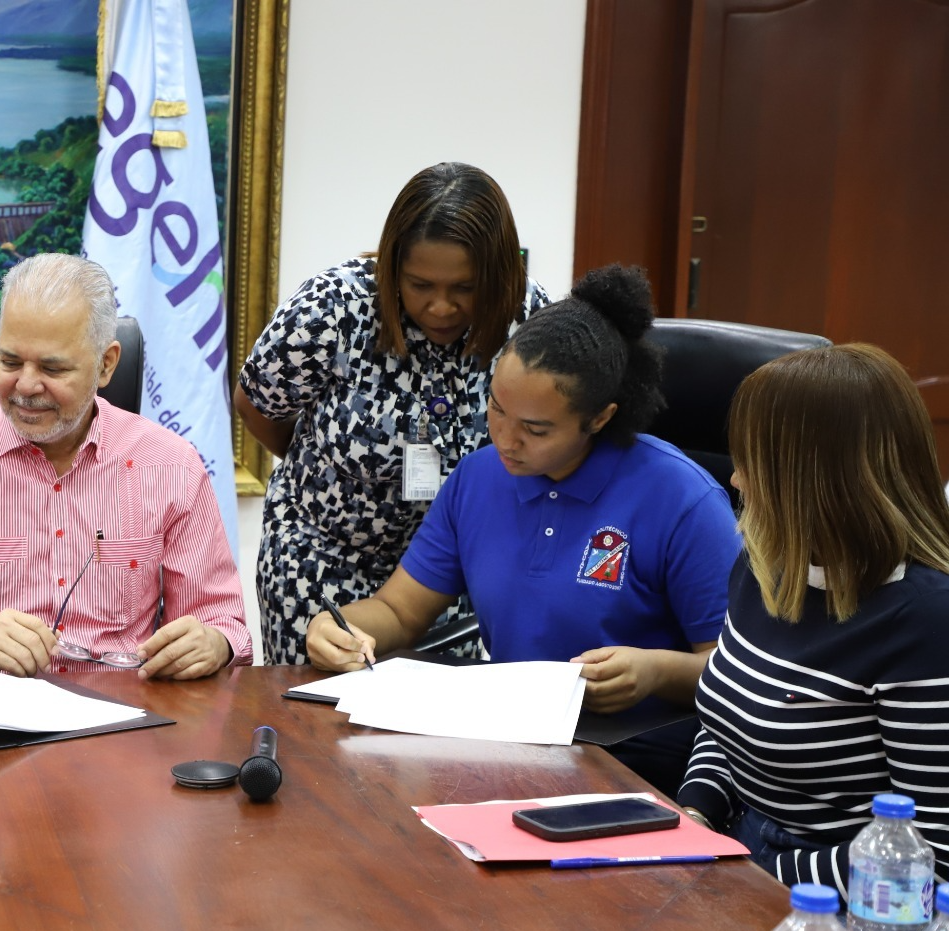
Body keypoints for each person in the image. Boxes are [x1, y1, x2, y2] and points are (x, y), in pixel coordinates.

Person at [305, 264, 741, 797]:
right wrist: (343, 628)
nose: (506, 439)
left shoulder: (682, 499)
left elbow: (736, 671)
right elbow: (399, 611)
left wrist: (654, 672)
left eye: (535, 429)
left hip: (635, 755)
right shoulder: (479, 478)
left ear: (599, 419)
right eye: (496, 409)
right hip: (510, 743)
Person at [0, 253, 252, 680]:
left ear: (106, 364)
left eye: (52, 367)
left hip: (124, 721)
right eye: (10, 362)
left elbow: (224, 623)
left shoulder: (170, 464)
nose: (25, 386)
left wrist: (213, 643)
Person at [235, 162, 551, 665]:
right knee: (319, 731)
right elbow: (257, 405)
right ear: (392, 266)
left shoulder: (528, 318)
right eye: (420, 284)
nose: (441, 307)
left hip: (451, 577)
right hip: (323, 564)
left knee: (437, 735)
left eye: (464, 288)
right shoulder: (334, 308)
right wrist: (326, 468)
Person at [678, 344, 949, 887]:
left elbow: (930, 857)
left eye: (751, 464)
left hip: (841, 893)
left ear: (813, 481)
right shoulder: (765, 564)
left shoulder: (924, 621)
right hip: (738, 842)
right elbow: (727, 724)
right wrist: (695, 814)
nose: (735, 481)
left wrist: (753, 870)